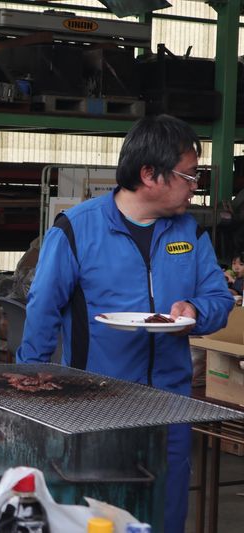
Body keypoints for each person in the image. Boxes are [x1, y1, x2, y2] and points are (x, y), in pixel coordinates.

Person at [17, 114, 234, 533]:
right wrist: (28, 392)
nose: (195, 186)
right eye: (189, 175)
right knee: (101, 518)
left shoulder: (189, 233)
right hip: (97, 407)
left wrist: (195, 310)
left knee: (164, 516)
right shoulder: (77, 230)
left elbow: (219, 300)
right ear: (149, 174)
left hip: (170, 407)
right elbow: (43, 312)